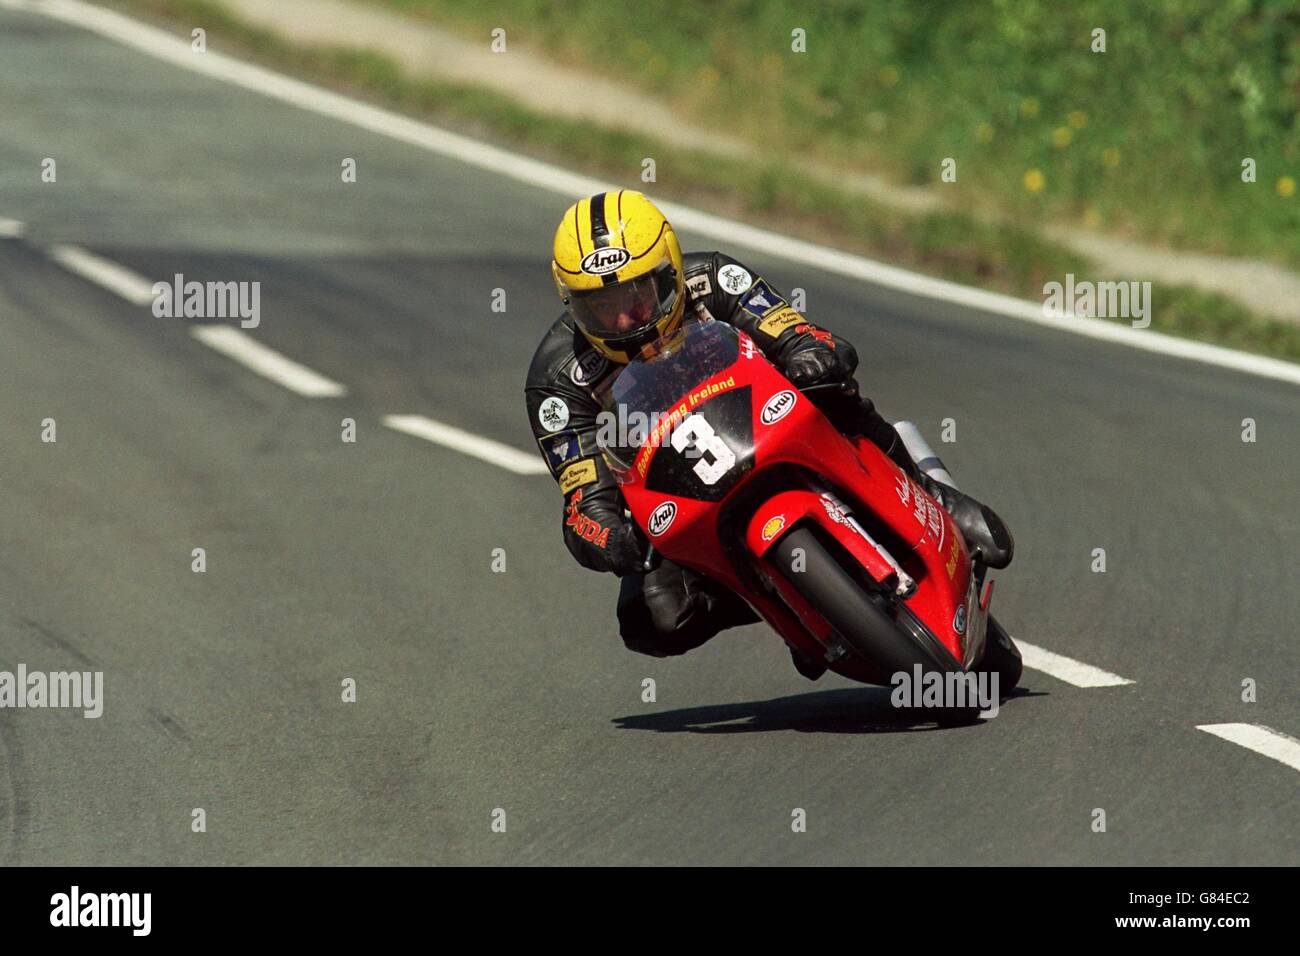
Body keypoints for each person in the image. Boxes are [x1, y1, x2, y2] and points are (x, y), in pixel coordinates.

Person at [525, 190, 1012, 679]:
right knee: (654, 621)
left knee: (826, 379)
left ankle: (928, 491)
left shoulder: (713, 278)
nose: (626, 320)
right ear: (571, 304)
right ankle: (780, 597)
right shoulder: (558, 383)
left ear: (670, 272)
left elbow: (796, 330)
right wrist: (608, 536)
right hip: (674, 497)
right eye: (601, 308)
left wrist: (809, 351)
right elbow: (583, 497)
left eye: (637, 295)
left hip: (770, 420)